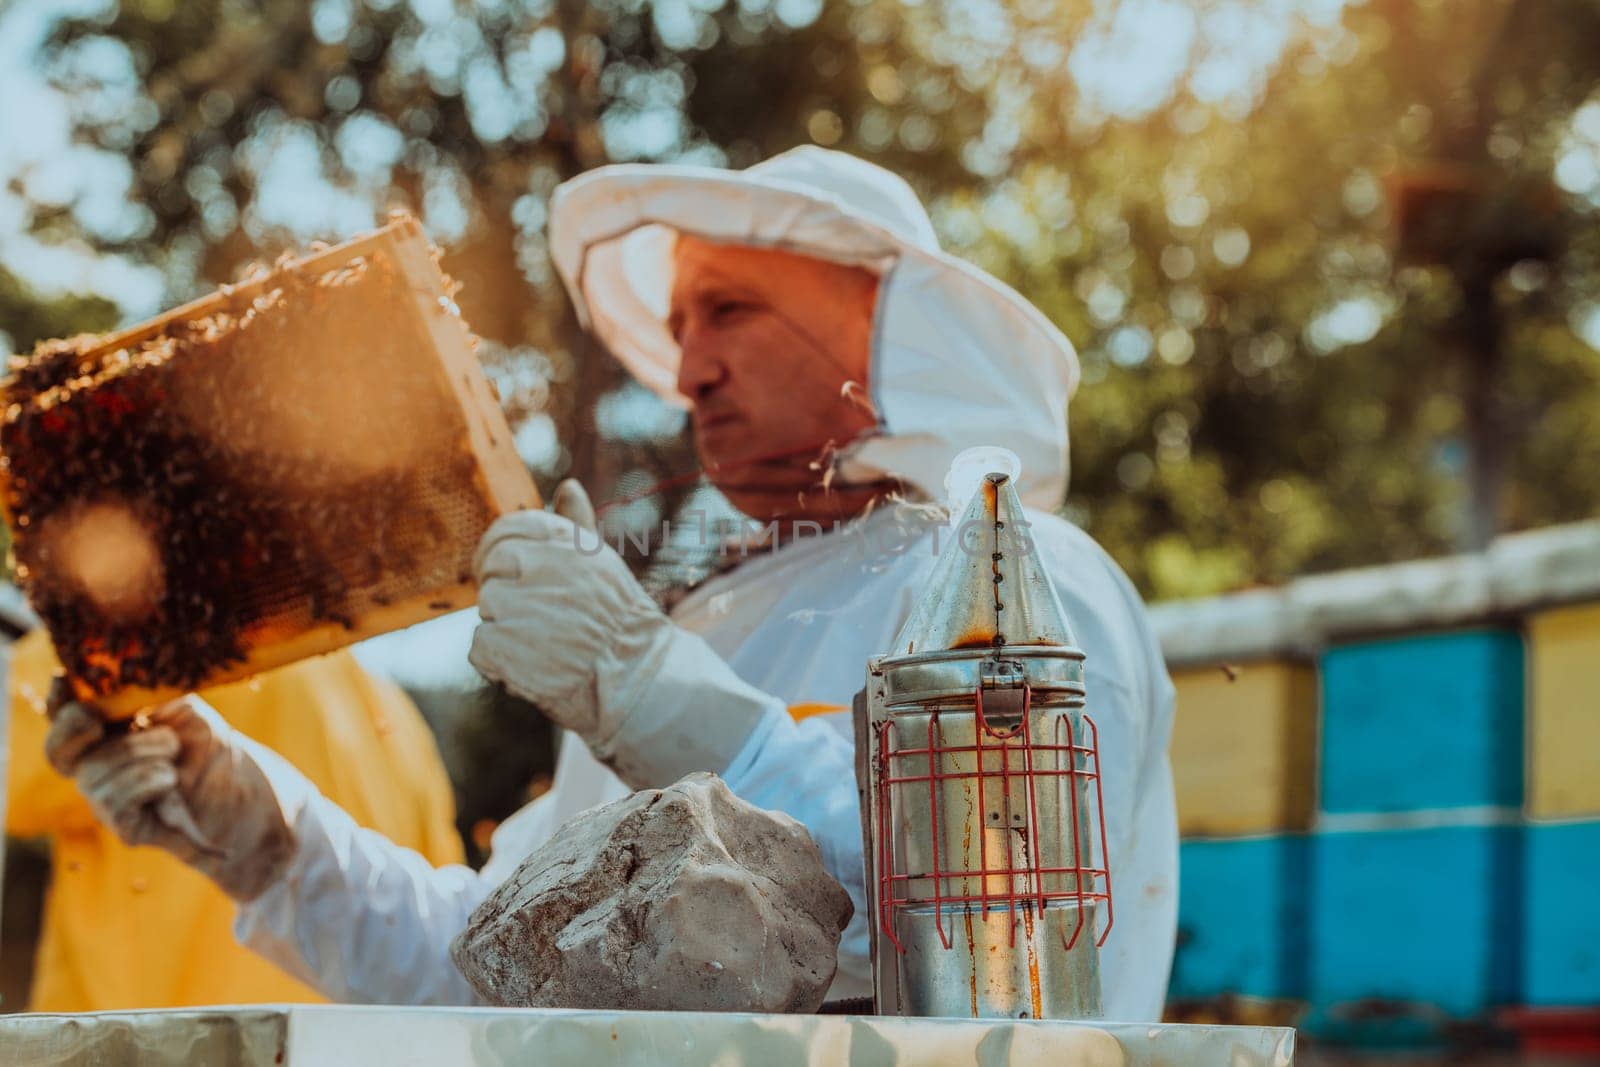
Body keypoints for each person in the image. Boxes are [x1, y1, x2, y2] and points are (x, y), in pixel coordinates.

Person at [44, 148, 1178, 1018]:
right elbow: (499, 958)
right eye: (680, 326)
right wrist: (269, 834)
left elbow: (977, 917)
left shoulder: (1020, 582)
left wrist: (651, 691)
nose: (689, 368)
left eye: (729, 308)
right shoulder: (706, 622)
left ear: (889, 327)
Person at [7, 628, 464, 1010]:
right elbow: (447, 944)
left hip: (164, 1048)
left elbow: (15, 787)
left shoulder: (116, 645)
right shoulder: (401, 723)